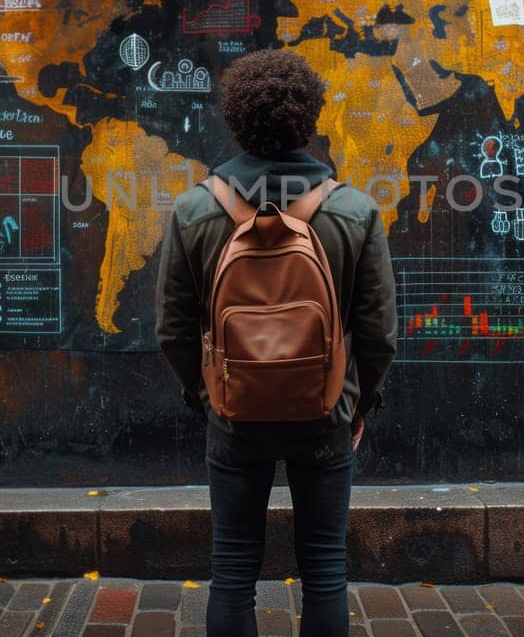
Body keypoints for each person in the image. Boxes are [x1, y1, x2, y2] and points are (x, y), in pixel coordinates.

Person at [155, 48, 398, 637]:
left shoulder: (194, 209)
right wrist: (357, 406)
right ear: (310, 119)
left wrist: (207, 396)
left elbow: (172, 327)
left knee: (233, 572)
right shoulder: (354, 211)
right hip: (324, 413)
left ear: (235, 120)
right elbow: (378, 333)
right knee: (325, 573)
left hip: (235, 415)